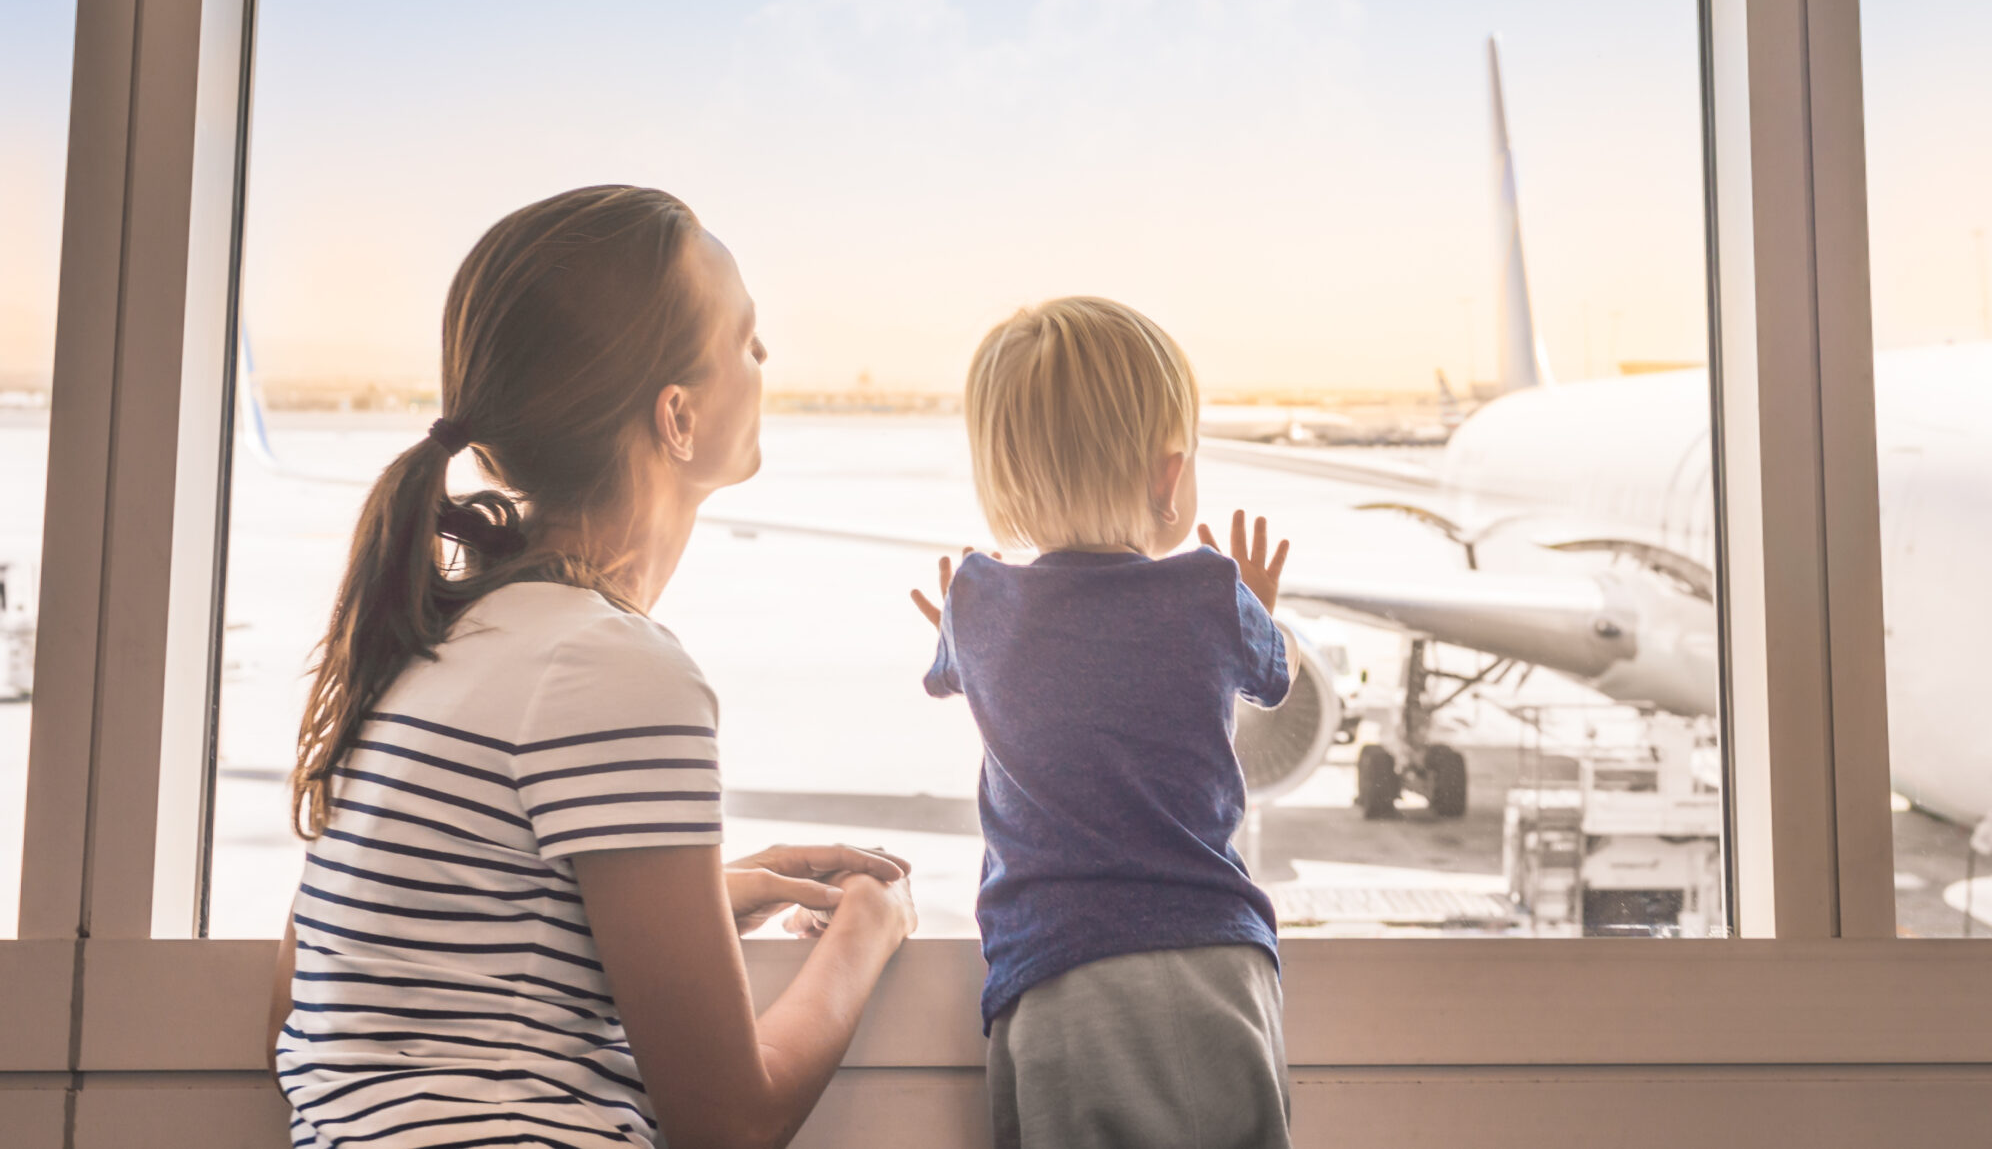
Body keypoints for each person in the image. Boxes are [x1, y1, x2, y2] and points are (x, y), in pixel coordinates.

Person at [268, 185, 916, 1149]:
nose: (768, 358)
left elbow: (339, 982)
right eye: (746, 338)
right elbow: (730, 1121)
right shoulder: (612, 672)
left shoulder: (434, 643)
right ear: (678, 419)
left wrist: (709, 891)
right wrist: (872, 925)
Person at [908, 296, 1299, 1149]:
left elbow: (946, 678)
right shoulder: (1209, 590)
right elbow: (1281, 679)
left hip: (1055, 980)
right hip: (1217, 962)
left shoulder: (976, 600)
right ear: (1170, 478)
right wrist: (1261, 614)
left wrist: (952, 624)